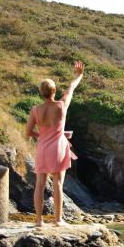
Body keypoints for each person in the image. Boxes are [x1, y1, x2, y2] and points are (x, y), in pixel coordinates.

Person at [26, 60, 84, 227]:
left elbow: (28, 133)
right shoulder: (61, 105)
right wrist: (78, 75)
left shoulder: (35, 110)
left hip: (42, 147)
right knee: (57, 182)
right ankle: (58, 220)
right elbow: (71, 88)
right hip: (57, 147)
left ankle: (39, 221)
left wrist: (43, 134)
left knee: (40, 184)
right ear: (54, 91)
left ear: (40, 92)